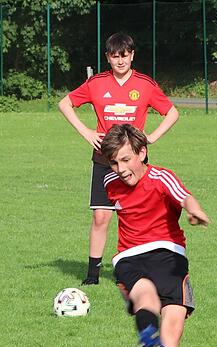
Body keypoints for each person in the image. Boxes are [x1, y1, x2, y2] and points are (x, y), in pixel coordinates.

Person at [99, 124, 209, 347]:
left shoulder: (161, 177)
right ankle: (147, 336)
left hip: (170, 257)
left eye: (125, 159)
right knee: (146, 296)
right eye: (114, 162)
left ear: (142, 152)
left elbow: (185, 197)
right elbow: (100, 218)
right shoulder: (109, 182)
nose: (120, 169)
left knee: (172, 332)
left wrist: (196, 211)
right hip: (130, 257)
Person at [59, 32, 179, 286]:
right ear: (108, 58)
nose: (120, 61)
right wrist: (87, 132)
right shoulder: (97, 83)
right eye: (115, 56)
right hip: (104, 160)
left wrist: (152, 137)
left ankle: (140, 267)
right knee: (101, 217)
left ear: (132, 55)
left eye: (124, 55)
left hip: (135, 164)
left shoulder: (145, 85)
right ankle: (93, 275)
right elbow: (65, 104)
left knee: (139, 216)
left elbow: (172, 112)